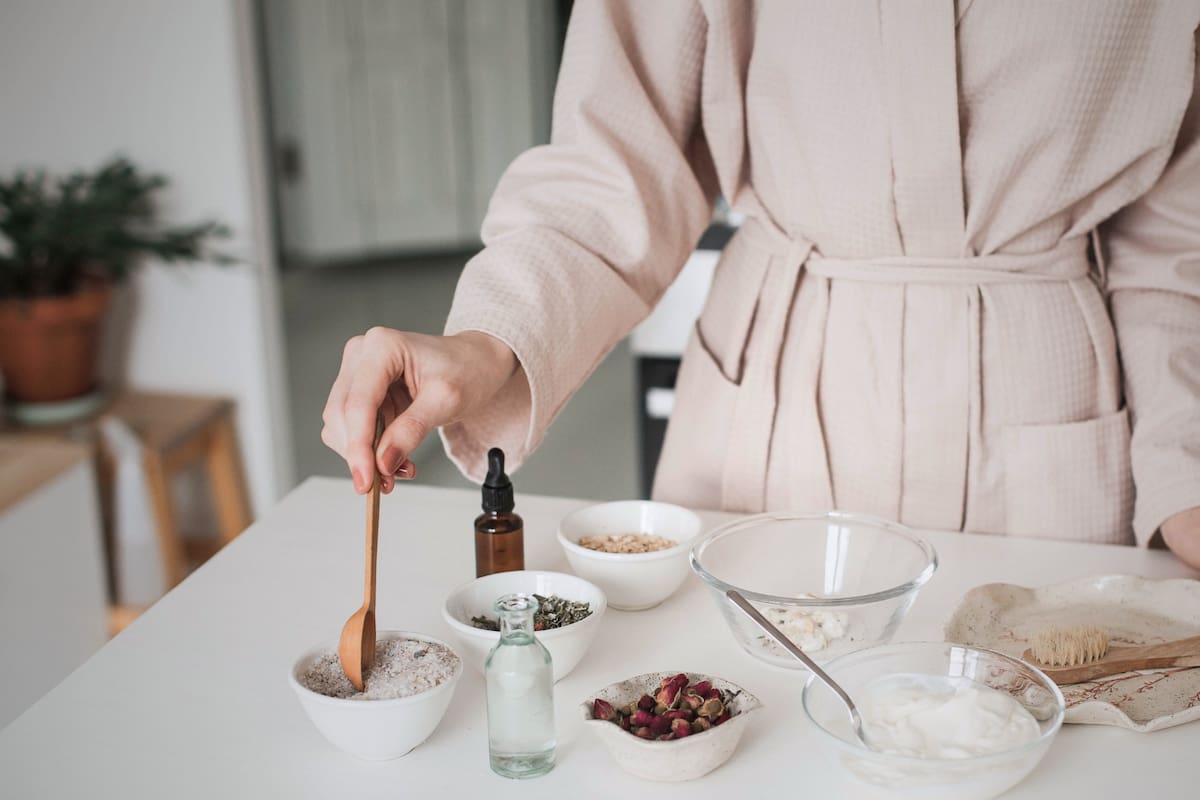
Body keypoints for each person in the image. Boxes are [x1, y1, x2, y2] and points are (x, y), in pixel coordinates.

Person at [321, 1, 1200, 567]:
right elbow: (614, 162)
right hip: (772, 423)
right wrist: (487, 339)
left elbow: (1175, 238)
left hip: (1052, 448)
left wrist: (1187, 472)